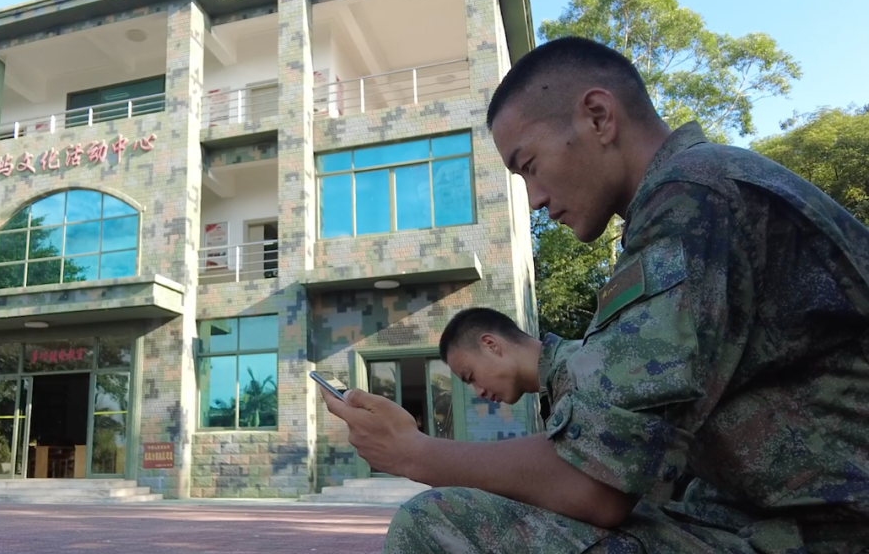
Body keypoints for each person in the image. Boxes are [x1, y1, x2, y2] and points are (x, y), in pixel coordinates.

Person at [318, 36, 869, 553]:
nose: (533, 198)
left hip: (821, 534)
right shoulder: (692, 197)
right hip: (767, 524)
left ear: (599, 117)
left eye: (529, 166)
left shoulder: (695, 200)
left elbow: (594, 487)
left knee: (433, 523)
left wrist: (416, 453)